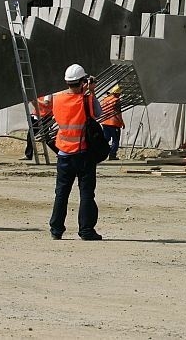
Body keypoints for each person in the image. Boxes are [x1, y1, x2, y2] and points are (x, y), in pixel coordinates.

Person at [49, 64, 103, 241]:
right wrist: (91, 92)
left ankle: (56, 230)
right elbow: (98, 113)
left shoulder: (57, 99)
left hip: (63, 153)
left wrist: (84, 91)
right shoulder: (86, 100)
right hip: (83, 154)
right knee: (86, 193)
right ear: (82, 82)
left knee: (61, 193)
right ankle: (86, 230)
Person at [23, 95, 52, 160]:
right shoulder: (36, 93)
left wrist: (35, 100)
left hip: (45, 117)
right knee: (30, 135)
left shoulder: (47, 94)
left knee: (46, 138)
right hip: (37, 116)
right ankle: (28, 155)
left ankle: (59, 153)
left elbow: (46, 103)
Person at [100, 85, 124, 161]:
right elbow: (118, 113)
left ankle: (100, 153)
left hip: (105, 122)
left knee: (105, 139)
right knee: (115, 140)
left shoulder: (105, 99)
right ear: (117, 93)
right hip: (114, 123)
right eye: (119, 93)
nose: (120, 95)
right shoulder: (116, 100)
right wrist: (122, 122)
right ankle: (112, 155)